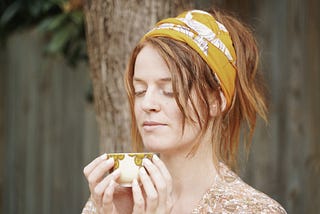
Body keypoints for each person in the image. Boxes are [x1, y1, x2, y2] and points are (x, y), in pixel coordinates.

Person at [82, 8, 287, 214]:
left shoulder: (255, 210)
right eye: (140, 90)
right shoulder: (109, 202)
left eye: (169, 91)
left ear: (216, 99)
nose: (147, 104)